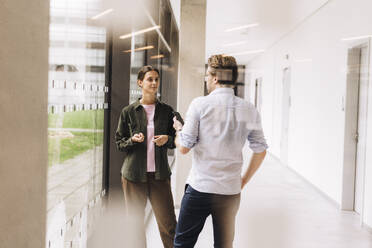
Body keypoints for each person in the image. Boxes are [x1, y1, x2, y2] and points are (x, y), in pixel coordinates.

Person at [173, 55, 268, 248]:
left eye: (208, 75)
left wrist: (178, 130)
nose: (206, 79)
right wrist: (242, 181)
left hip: (200, 188)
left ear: (215, 78)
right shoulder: (249, 109)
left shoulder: (199, 105)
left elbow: (184, 147)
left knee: (182, 244)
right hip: (230, 191)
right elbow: (260, 150)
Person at [115, 65, 177, 248]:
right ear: (140, 82)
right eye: (150, 79)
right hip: (133, 176)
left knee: (169, 225)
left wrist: (167, 139)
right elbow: (119, 142)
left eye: (156, 79)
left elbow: (177, 141)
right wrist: (132, 140)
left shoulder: (167, 111)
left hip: (160, 176)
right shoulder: (128, 112)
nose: (154, 83)